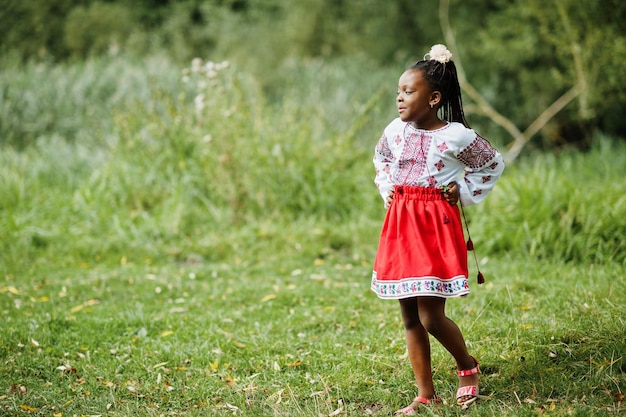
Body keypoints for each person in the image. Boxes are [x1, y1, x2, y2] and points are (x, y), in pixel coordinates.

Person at [371, 44, 504, 414]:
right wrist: (388, 188)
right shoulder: (394, 131)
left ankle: (467, 365)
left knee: (431, 317)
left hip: (434, 226)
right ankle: (425, 394)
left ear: (433, 98)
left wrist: (460, 190)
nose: (399, 98)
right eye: (398, 91)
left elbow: (492, 163)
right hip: (400, 224)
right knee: (410, 317)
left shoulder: (456, 136)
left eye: (408, 92)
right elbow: (381, 159)